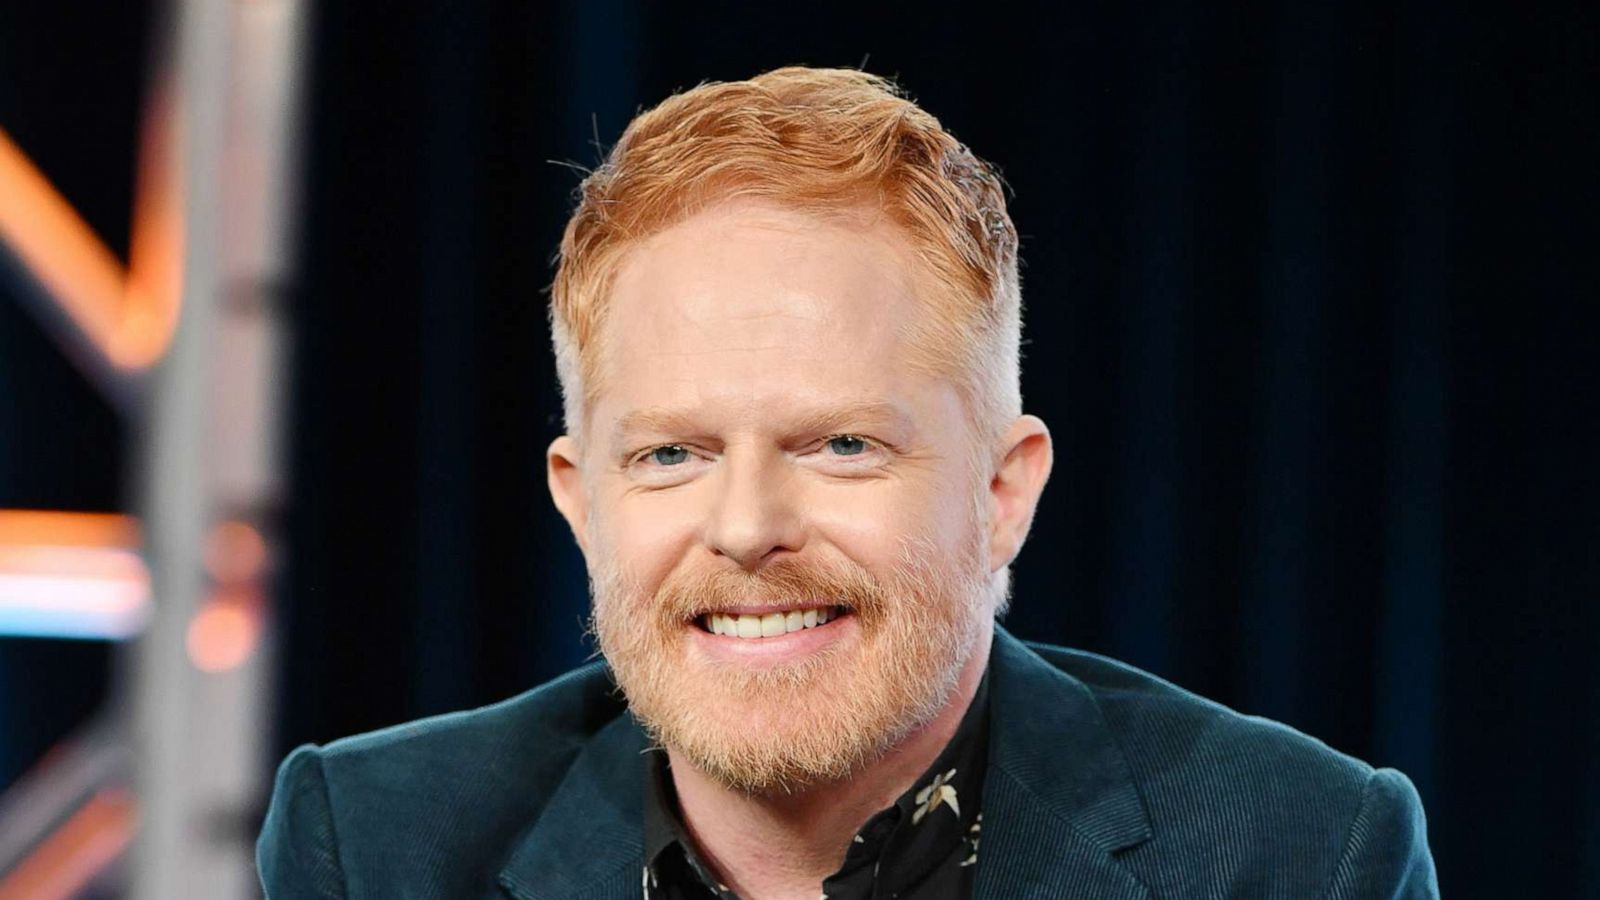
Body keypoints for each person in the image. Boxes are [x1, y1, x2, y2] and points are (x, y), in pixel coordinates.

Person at [257, 66, 1438, 899]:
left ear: (1001, 492)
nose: (748, 529)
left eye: (840, 446)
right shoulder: (378, 846)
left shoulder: (1296, 856)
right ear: (580, 500)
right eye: (672, 454)